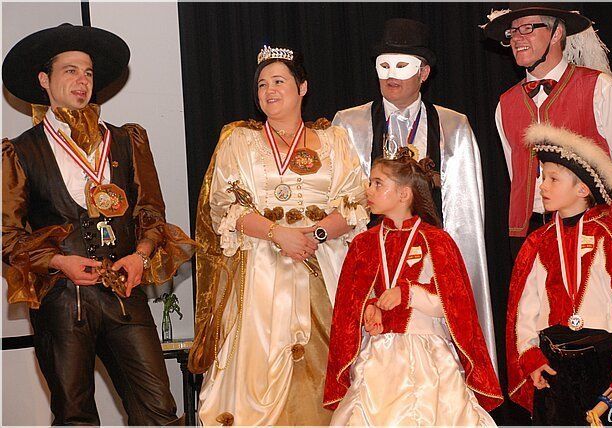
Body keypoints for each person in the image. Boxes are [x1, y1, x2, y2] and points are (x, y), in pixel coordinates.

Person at [2, 24, 195, 425]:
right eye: (70, 71)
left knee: (159, 409)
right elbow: (7, 236)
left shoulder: (126, 140)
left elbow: (150, 214)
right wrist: (60, 262)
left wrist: (141, 256)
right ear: (44, 80)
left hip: (124, 293)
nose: (82, 80)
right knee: (75, 417)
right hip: (62, 301)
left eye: (88, 72)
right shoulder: (20, 151)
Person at [188, 45, 368, 426]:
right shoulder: (239, 141)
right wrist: (277, 233)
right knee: (256, 369)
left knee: (329, 366)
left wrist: (317, 232)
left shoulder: (334, 140)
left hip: (322, 264)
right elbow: (225, 207)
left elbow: (356, 203)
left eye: (279, 81)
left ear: (302, 87)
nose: (269, 90)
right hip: (260, 270)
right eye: (262, 84)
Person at [332, 17, 497, 369]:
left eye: (402, 65)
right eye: (385, 65)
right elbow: (341, 203)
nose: (391, 75)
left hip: (428, 269)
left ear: (423, 72)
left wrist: (453, 285)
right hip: (372, 265)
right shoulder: (349, 124)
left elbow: (465, 216)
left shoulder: (453, 126)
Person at [323, 147, 503, 425]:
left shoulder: (437, 241)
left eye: (378, 184)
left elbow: (454, 306)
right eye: (370, 182)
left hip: (429, 355)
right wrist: (368, 309)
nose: (368, 190)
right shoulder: (363, 243)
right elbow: (349, 303)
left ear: (404, 194)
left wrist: (408, 294)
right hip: (378, 355)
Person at [481, 3, 612, 258]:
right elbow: (517, 178)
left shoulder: (600, 88)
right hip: (531, 236)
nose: (517, 38)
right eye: (513, 31)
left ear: (556, 33)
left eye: (527, 28)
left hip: (594, 233)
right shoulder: (505, 104)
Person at [506, 123, 612, 425]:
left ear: (582, 189)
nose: (542, 186)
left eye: (553, 178)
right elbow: (524, 308)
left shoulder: (610, 236)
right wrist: (531, 355)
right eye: (542, 177)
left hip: (603, 362)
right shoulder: (537, 241)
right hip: (553, 364)